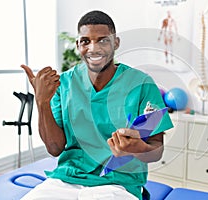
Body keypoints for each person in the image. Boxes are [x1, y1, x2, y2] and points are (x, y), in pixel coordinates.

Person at [20, 10, 173, 200]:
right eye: (86, 41)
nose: (93, 48)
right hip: (66, 179)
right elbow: (54, 148)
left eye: (103, 40)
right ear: (78, 45)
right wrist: (42, 102)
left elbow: (156, 150)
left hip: (119, 183)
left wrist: (137, 148)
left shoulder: (141, 84)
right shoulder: (64, 84)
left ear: (115, 43)